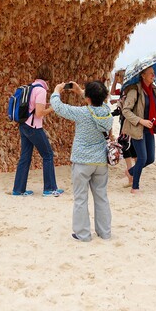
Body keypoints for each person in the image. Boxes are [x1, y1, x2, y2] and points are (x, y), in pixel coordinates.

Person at [50, 80, 113, 242]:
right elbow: (97, 101)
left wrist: (57, 91)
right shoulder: (107, 111)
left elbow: (58, 107)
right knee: (101, 197)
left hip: (83, 161)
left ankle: (83, 234)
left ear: (88, 98)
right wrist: (80, 91)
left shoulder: (82, 113)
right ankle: (104, 232)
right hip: (100, 161)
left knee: (80, 198)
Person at [12, 64, 63, 197]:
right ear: (48, 77)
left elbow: (32, 107)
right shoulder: (41, 91)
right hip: (34, 127)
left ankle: (18, 190)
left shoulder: (31, 87)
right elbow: (39, 113)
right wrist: (53, 108)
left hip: (23, 125)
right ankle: (49, 189)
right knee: (48, 155)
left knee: (25, 157)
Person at [121, 66, 156, 194]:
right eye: (151, 73)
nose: (153, 76)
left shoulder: (152, 89)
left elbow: (150, 108)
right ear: (143, 75)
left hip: (149, 127)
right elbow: (125, 111)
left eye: (154, 73)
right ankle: (135, 187)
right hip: (137, 128)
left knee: (150, 158)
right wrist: (141, 121)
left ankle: (130, 172)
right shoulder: (135, 90)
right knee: (142, 158)